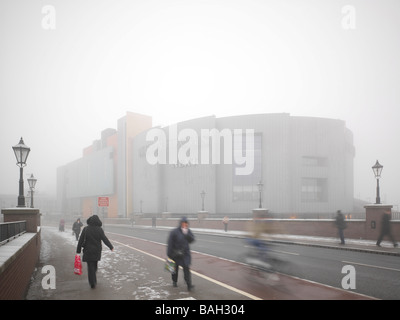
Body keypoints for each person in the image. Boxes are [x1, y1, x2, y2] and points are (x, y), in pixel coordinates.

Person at [76, 215, 114, 288]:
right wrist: (110, 247)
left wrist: (78, 250)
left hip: (87, 250)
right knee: (94, 265)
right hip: (96, 250)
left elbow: (80, 240)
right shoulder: (99, 229)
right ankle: (93, 280)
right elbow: (104, 239)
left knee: (90, 267)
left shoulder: (86, 229)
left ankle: (92, 281)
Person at [167, 217, 195, 291]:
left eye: (186, 223)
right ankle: (174, 281)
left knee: (186, 269)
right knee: (174, 269)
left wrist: (187, 235)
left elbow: (192, 240)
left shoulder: (188, 231)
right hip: (175, 254)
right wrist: (169, 254)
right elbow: (170, 243)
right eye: (183, 223)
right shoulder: (174, 232)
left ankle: (189, 285)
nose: (185, 224)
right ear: (180, 223)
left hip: (185, 254)